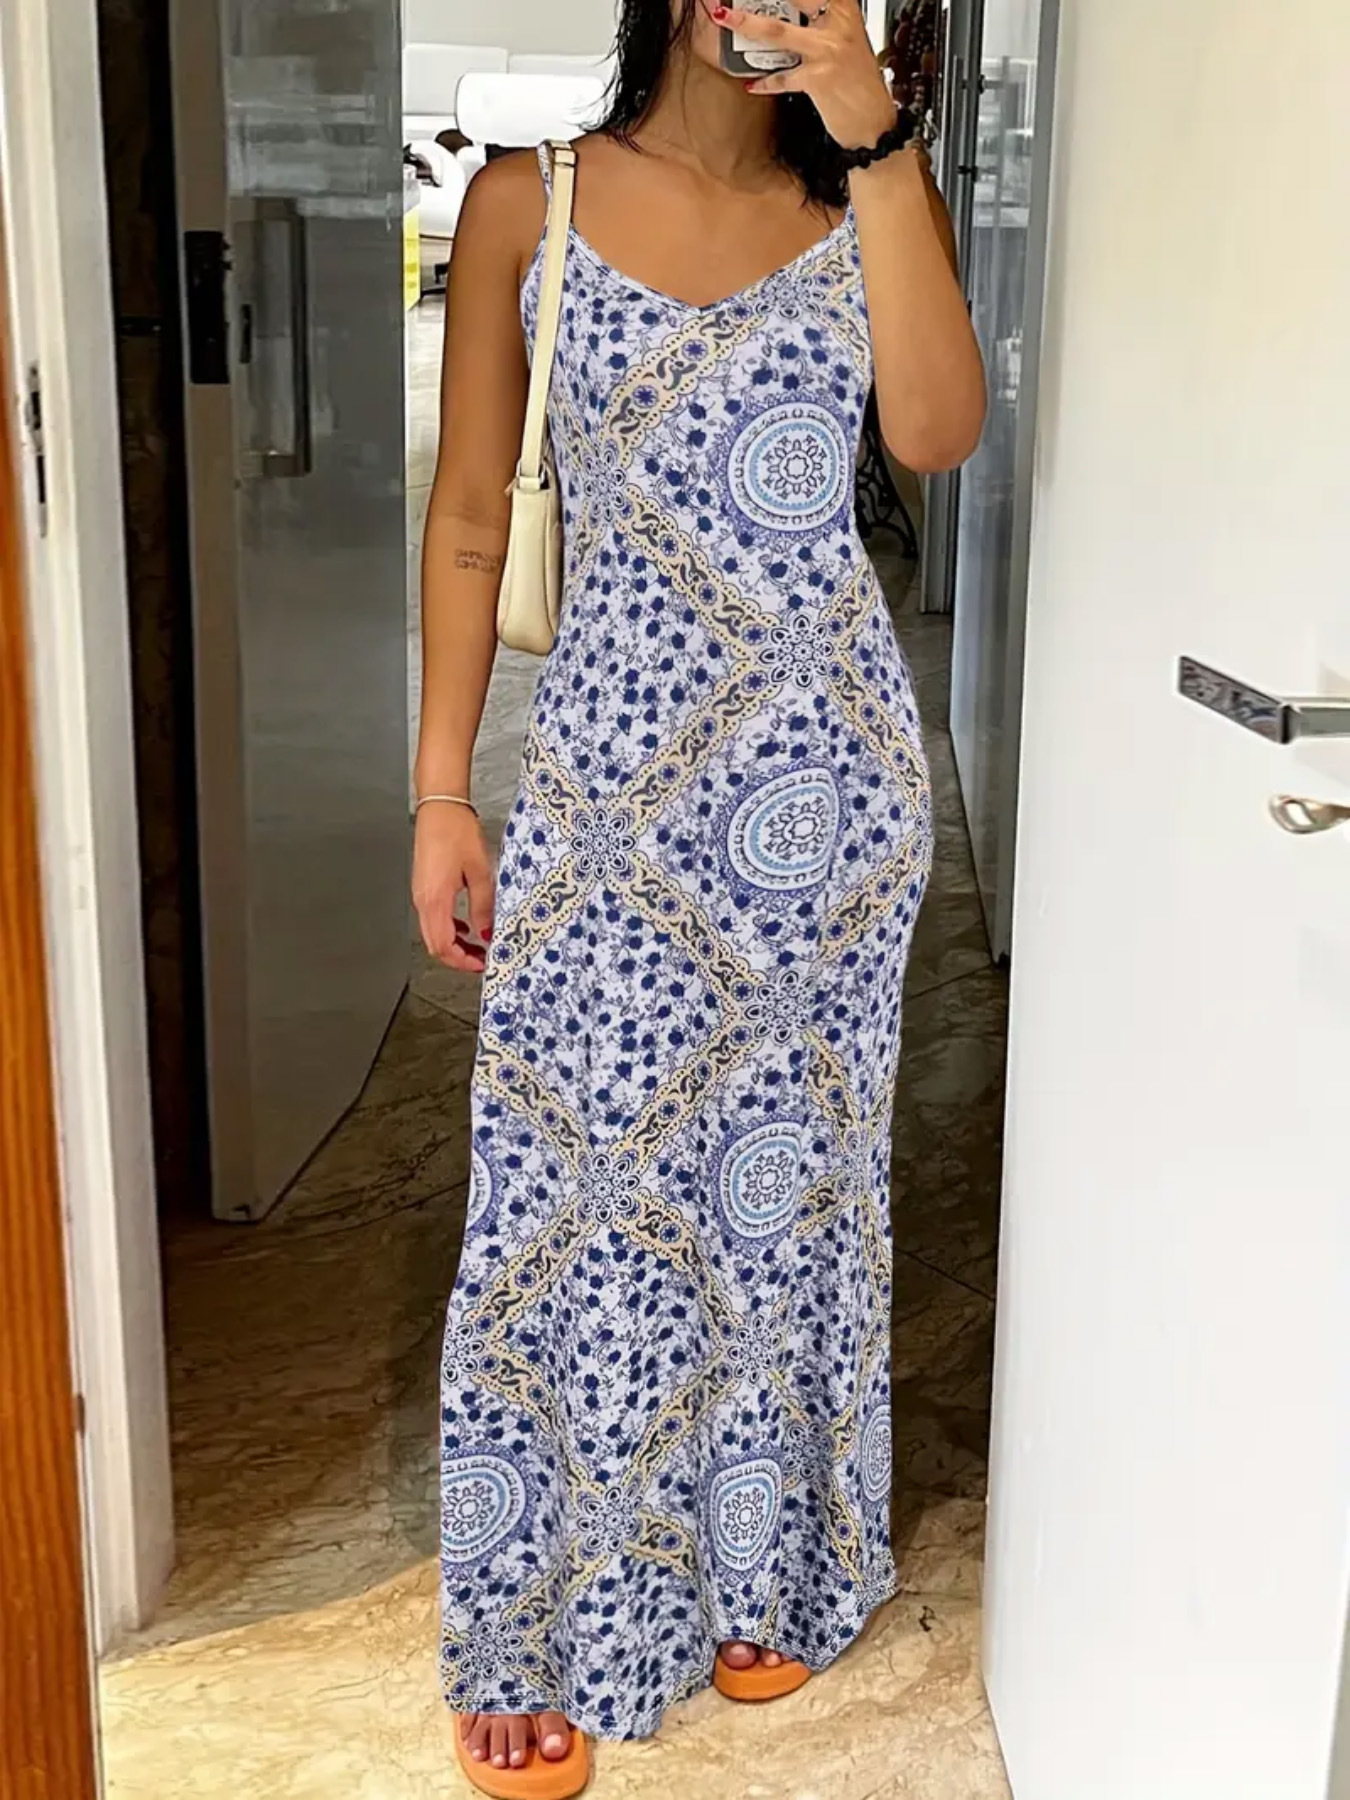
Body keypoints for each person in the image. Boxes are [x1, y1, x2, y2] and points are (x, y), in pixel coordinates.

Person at [413, 1, 984, 1792]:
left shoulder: (866, 192)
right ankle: (538, 1614)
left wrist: (874, 134)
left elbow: (937, 432)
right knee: (570, 1190)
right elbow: (470, 515)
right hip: (605, 790)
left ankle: (766, 1558)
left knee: (782, 1191)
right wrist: (441, 787)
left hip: (827, 800)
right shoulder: (531, 199)